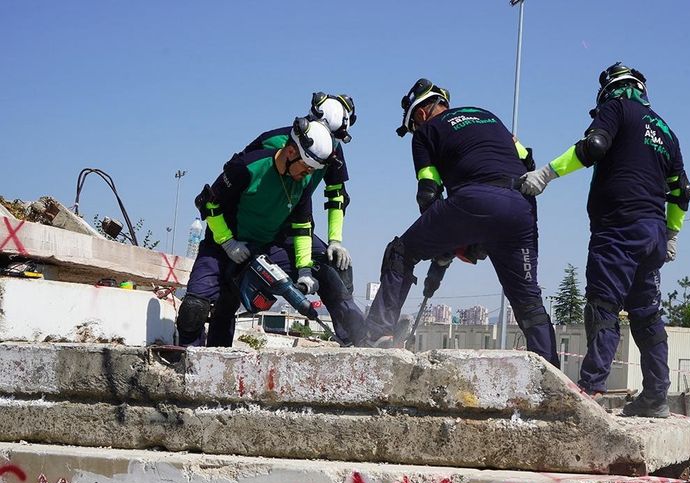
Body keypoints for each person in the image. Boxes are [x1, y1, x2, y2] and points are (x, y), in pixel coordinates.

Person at [519, 62, 690, 417]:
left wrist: (546, 174)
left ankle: (591, 388)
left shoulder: (616, 107)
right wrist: (673, 234)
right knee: (647, 316)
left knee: (603, 308)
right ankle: (656, 397)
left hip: (617, 229)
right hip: (652, 234)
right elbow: (683, 191)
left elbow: (595, 145)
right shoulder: (666, 130)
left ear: (610, 88)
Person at [362, 78, 560, 368]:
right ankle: (551, 373)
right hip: (520, 207)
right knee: (529, 301)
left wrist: (447, 243)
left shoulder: (426, 132)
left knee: (401, 252)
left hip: (472, 200)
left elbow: (428, 193)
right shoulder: (489, 116)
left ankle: (377, 335)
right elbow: (527, 161)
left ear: (420, 114)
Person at [176, 118, 338, 347]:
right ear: (291, 151)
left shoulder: (301, 183)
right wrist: (228, 242)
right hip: (221, 247)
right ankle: (187, 362)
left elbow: (302, 228)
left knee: (324, 268)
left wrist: (304, 271)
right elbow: (209, 205)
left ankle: (352, 334)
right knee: (193, 309)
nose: (308, 175)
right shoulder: (247, 167)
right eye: (306, 167)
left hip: (264, 248)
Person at [237, 93, 365, 345]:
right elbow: (237, 179)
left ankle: (356, 338)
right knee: (247, 276)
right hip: (255, 225)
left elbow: (336, 195)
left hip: (296, 224)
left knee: (335, 265)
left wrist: (335, 241)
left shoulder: (334, 150)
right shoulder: (272, 141)